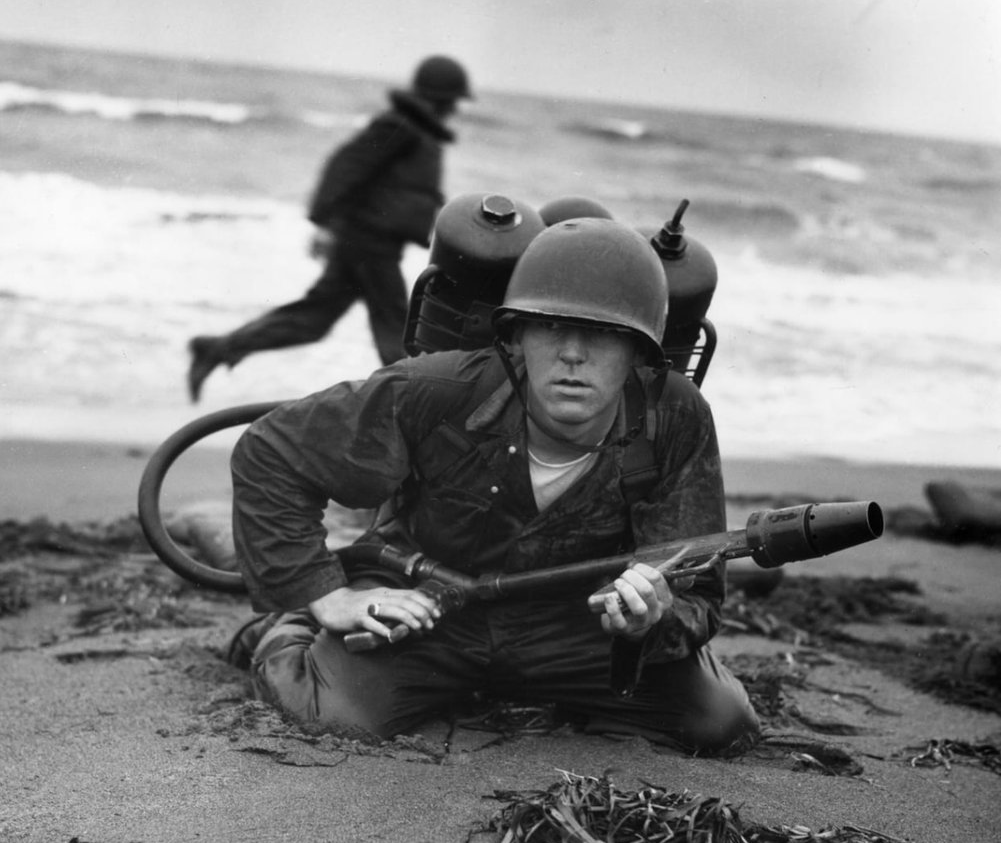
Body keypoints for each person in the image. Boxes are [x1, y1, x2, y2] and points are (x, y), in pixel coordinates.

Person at [226, 217, 760, 755]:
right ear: (518, 336)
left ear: (640, 353)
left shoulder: (674, 416)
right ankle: (285, 626)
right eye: (550, 327)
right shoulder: (438, 389)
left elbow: (696, 588)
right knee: (332, 714)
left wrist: (650, 619)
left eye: (603, 334)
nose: (573, 353)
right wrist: (321, 594)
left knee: (717, 724)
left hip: (578, 628)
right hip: (431, 611)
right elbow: (270, 452)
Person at [186, 54, 473, 402]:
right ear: (439, 98)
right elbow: (344, 167)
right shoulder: (398, 126)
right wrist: (323, 222)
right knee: (395, 326)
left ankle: (217, 348)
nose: (455, 109)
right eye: (453, 100)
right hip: (369, 242)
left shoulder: (416, 132)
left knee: (315, 320)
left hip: (370, 241)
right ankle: (414, 400)